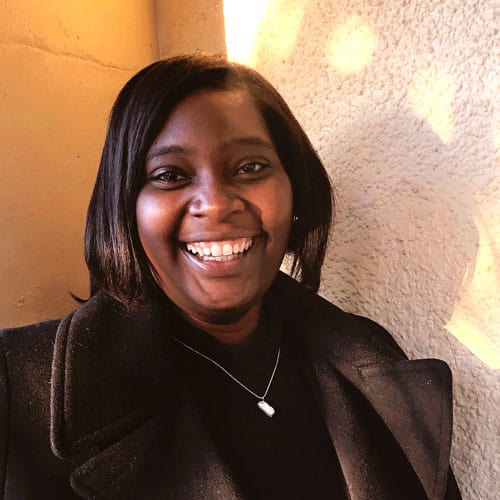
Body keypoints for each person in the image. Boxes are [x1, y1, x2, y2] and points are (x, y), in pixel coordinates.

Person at [0, 55, 461, 499]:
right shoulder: (16, 385)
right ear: (125, 209)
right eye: (170, 175)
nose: (216, 204)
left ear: (295, 190)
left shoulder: (371, 359)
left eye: (250, 167)